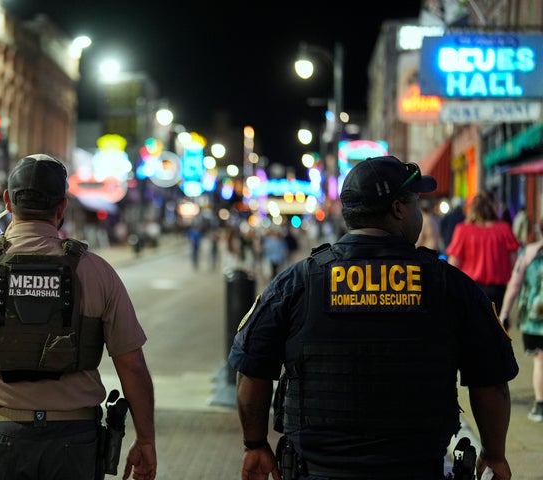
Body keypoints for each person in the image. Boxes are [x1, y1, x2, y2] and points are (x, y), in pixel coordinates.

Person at [228, 156, 518, 480]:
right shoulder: (450, 285)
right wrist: (494, 454)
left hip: (316, 471)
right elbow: (491, 383)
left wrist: (255, 444)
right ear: (398, 209)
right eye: (416, 202)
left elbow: (251, 369)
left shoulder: (298, 282)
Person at [0, 154, 156, 480]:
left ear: (8, 200)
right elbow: (131, 364)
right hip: (74, 440)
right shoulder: (98, 273)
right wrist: (146, 439)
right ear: (62, 207)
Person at [499, 216, 543, 423]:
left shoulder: (529, 253)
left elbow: (515, 285)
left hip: (534, 319)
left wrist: (505, 313)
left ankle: (540, 405)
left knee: (540, 360)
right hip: (534, 319)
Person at [446, 193, 519, 315]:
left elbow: (453, 265)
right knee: (495, 330)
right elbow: (514, 263)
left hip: (469, 289)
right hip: (498, 291)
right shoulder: (504, 229)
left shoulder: (463, 230)